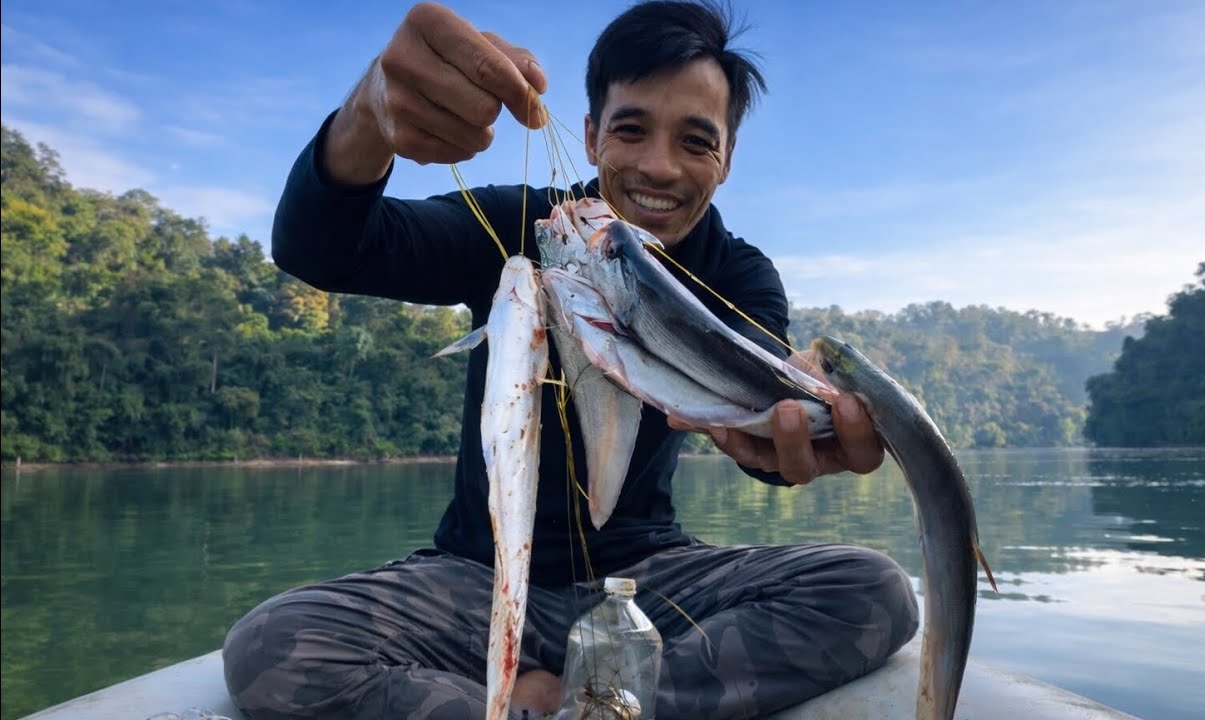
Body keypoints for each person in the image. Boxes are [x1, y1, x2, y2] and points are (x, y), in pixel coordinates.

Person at [222, 2, 919, 718]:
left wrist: (798, 427)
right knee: (275, 645)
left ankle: (566, 700)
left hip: (647, 579)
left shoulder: (738, 274)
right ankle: (605, 698)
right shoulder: (523, 225)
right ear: (589, 136)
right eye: (631, 129)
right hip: (475, 578)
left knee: (871, 592)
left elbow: (754, 423)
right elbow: (322, 246)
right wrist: (368, 116)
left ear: (727, 160)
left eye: (695, 141)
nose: (658, 166)